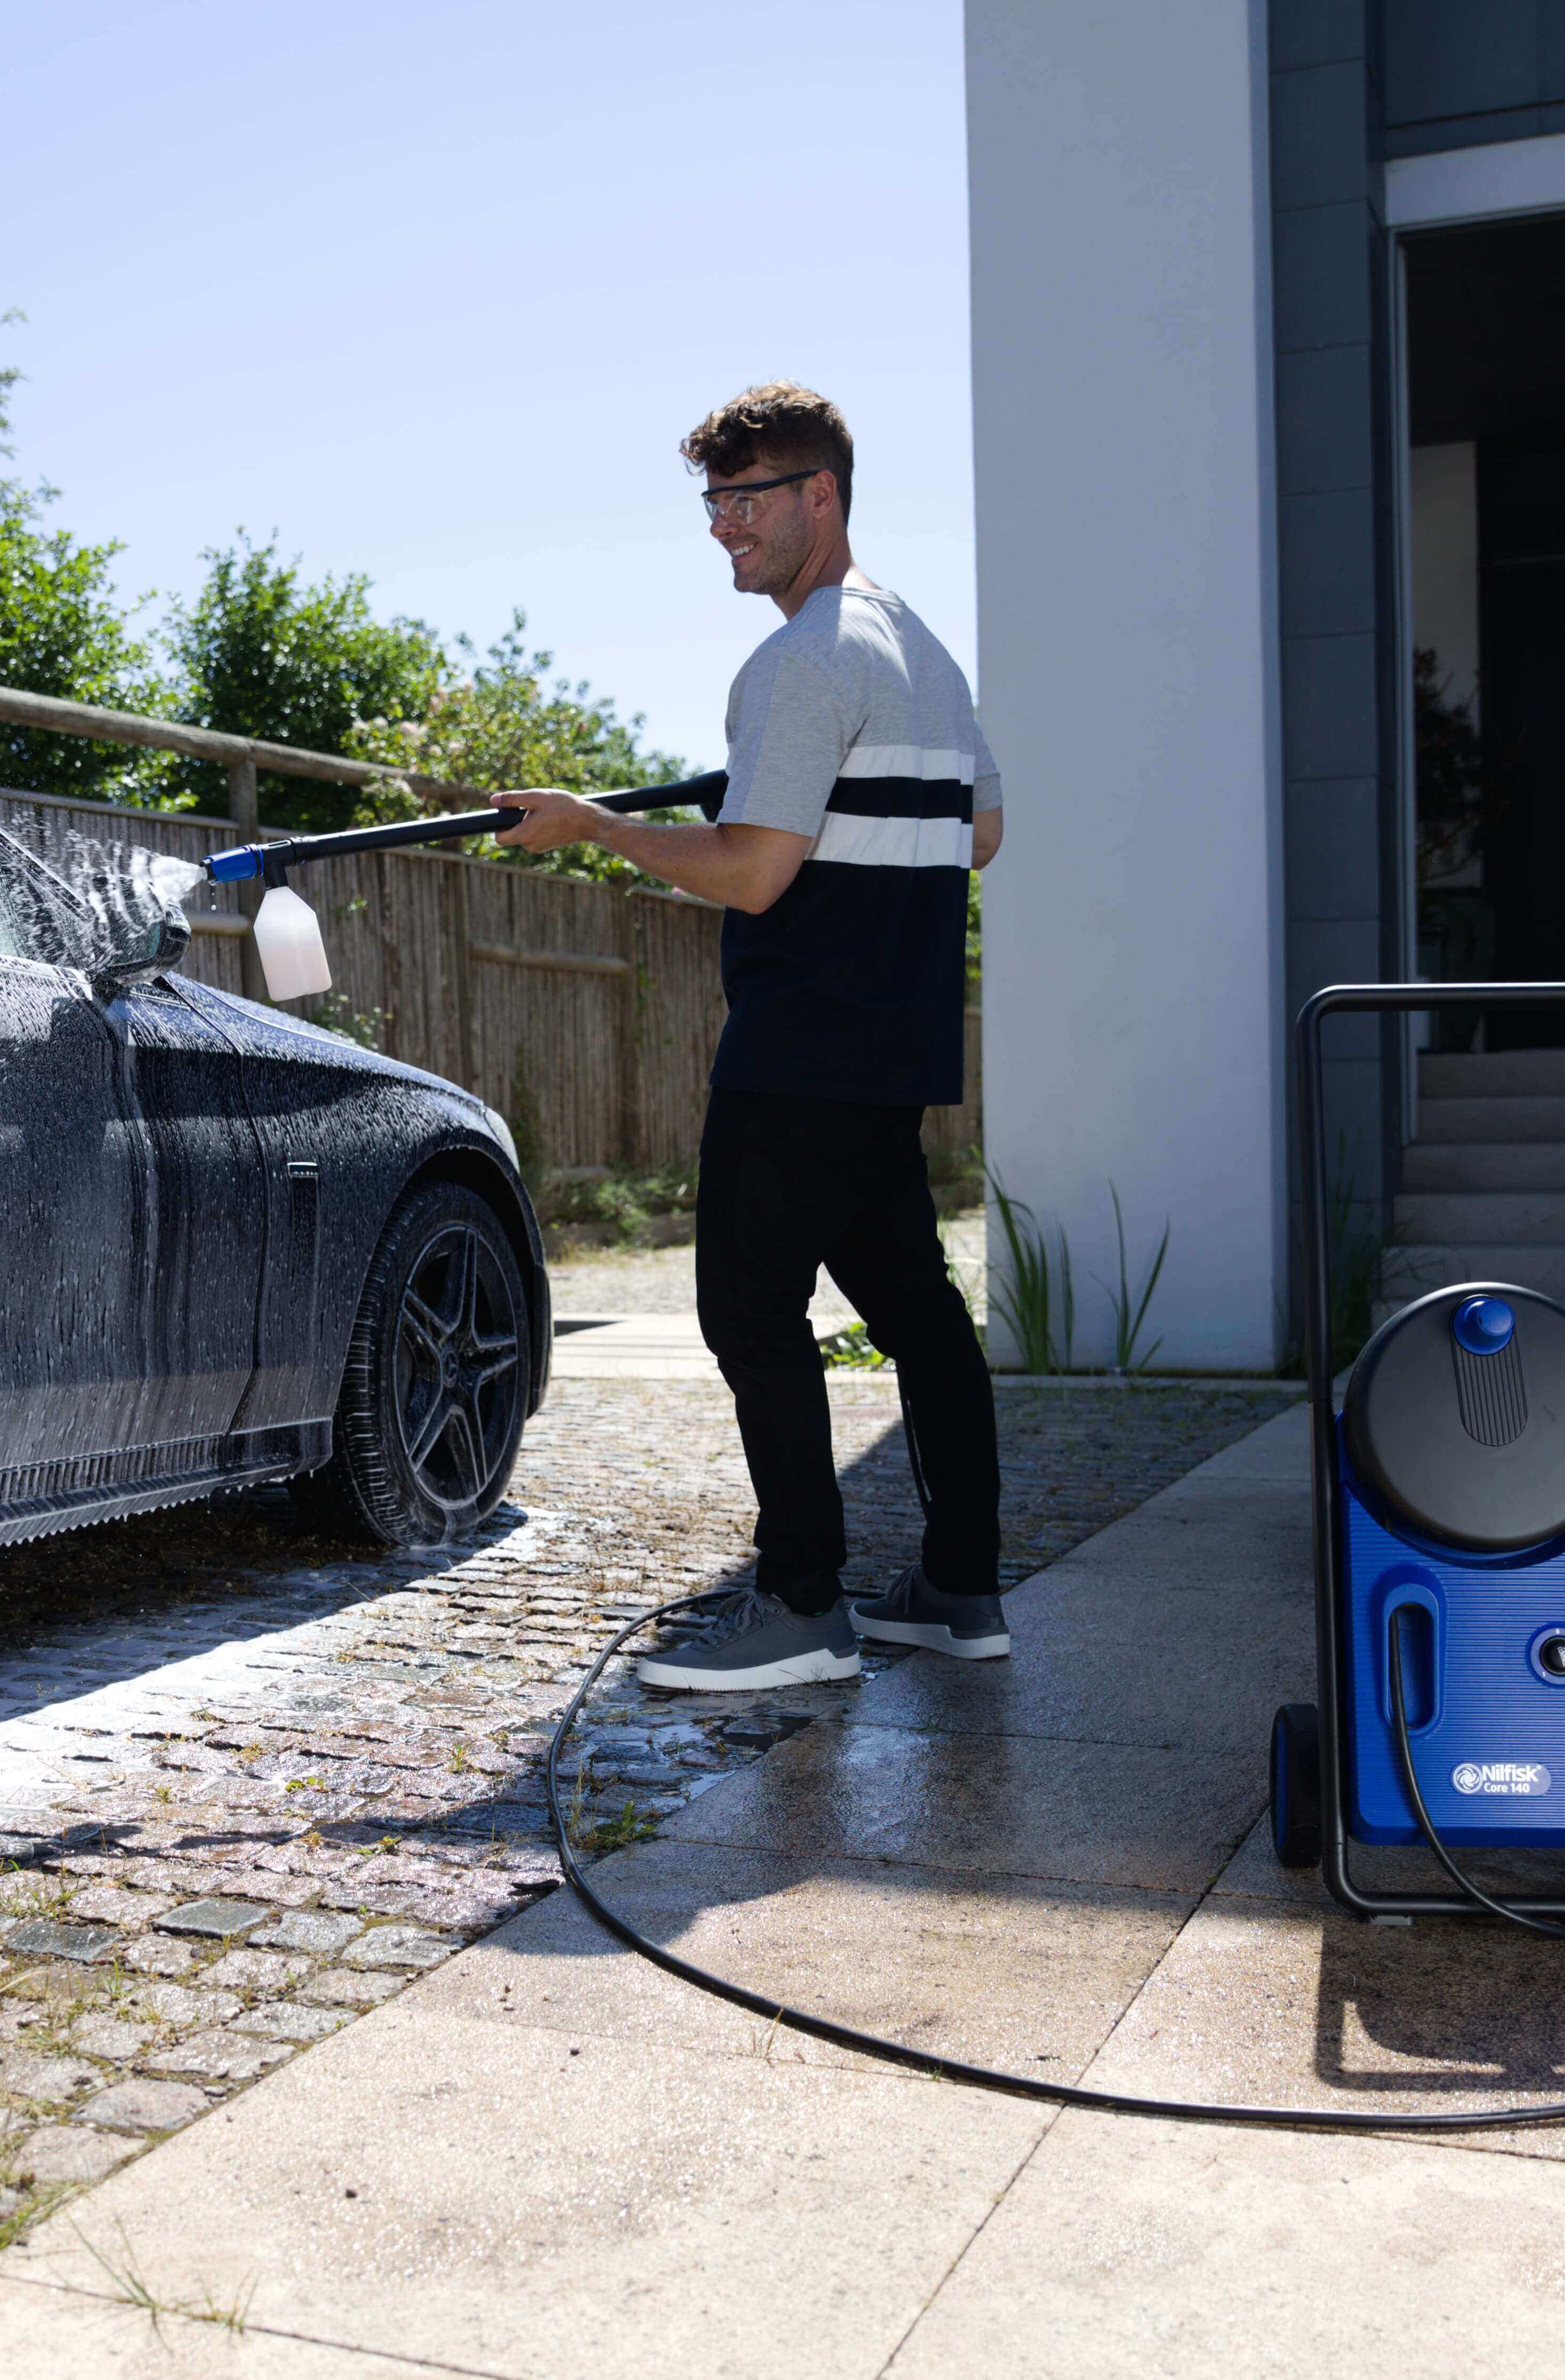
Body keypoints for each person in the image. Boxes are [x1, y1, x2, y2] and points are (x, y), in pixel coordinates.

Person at [492, 382, 1005, 1690]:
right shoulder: (922, 651)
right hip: (893, 1049)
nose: (725, 526)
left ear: (820, 495)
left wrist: (595, 826)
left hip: (802, 1049)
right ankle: (958, 1587)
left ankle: (801, 1606)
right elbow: (979, 832)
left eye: (749, 498)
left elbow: (754, 870)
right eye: (713, 501)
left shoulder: (799, 660)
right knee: (917, 1311)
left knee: (749, 1309)